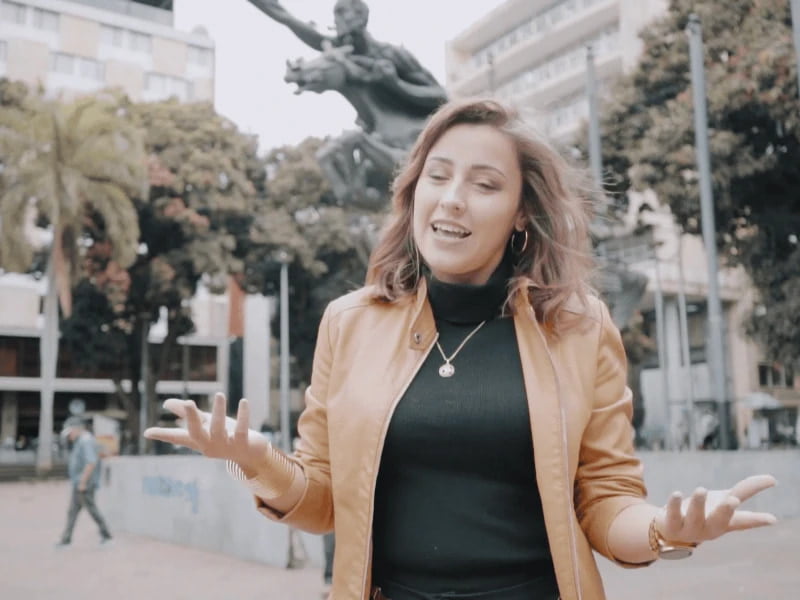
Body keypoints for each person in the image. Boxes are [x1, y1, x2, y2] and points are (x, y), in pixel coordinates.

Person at [144, 98, 777, 600]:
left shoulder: (582, 328)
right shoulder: (349, 322)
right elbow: (324, 505)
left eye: (484, 184)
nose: (451, 198)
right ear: (414, 191)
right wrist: (258, 460)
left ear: (521, 212)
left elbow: (607, 503)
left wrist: (668, 531)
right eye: (437, 176)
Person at [248, 0, 447, 112]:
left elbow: (440, 97)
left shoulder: (393, 55)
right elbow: (284, 16)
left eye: (342, 13)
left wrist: (397, 85)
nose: (337, 20)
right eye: (336, 15)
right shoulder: (337, 50)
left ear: (362, 17)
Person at [57, 416, 112, 547]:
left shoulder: (85, 441)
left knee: (91, 510)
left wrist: (82, 482)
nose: (69, 436)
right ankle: (66, 539)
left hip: (84, 484)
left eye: (69, 432)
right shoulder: (81, 441)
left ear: (76, 429)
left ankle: (107, 535)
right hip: (80, 483)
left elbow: (91, 462)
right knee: (73, 511)